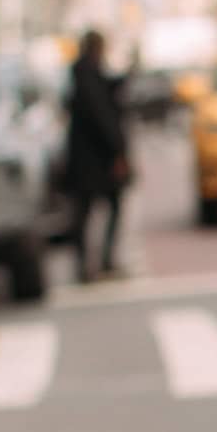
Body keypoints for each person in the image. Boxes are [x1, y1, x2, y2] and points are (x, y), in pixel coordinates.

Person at [64, 28, 130, 282]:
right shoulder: (86, 75)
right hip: (94, 160)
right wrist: (118, 151)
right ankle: (97, 263)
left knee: (88, 211)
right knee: (89, 210)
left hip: (87, 159)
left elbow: (108, 88)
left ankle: (93, 263)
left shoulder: (84, 74)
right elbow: (102, 116)